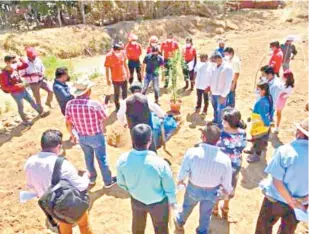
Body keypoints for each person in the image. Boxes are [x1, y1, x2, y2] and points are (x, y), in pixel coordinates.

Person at [24, 129, 93, 234]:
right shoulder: (62, 164)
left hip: (51, 207)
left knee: (64, 226)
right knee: (84, 225)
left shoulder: (29, 163)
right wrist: (85, 176)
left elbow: (31, 187)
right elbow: (82, 186)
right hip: (69, 204)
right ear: (58, 147)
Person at [117, 124, 176, 234]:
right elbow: (169, 188)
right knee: (161, 228)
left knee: (138, 227)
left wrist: (133, 190)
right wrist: (173, 203)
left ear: (132, 139)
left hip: (136, 200)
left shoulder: (122, 160)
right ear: (150, 140)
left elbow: (121, 183)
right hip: (158, 203)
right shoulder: (160, 164)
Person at [174, 122, 233, 234]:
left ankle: (180, 222)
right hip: (212, 191)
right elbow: (227, 182)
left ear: (203, 137)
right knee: (206, 215)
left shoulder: (192, 153)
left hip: (194, 188)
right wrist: (226, 191)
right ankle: (202, 231)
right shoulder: (225, 160)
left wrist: (181, 180)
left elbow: (184, 171)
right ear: (218, 140)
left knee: (187, 207)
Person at [255, 118, 308, 234]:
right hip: (299, 205)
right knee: (287, 231)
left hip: (275, 200)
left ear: (299, 133)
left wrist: (290, 200)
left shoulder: (285, 151)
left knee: (264, 228)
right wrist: (302, 201)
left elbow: (277, 181)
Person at [65, 77, 116, 188]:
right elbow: (104, 117)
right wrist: (105, 107)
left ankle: (92, 178)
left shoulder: (70, 104)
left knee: (88, 157)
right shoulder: (94, 104)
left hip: (81, 136)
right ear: (88, 91)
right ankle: (107, 181)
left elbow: (68, 123)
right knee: (101, 158)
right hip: (96, 136)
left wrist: (72, 135)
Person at [213, 107, 247, 219]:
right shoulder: (242, 133)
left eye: (224, 121)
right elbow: (243, 146)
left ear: (230, 122)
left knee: (218, 185)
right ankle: (226, 207)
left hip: (221, 165)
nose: (222, 122)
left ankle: (215, 207)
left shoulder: (221, 134)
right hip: (235, 165)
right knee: (230, 185)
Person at [117, 82, 166, 152]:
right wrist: (161, 115)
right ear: (141, 90)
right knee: (151, 145)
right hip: (147, 128)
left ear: (131, 91)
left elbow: (119, 114)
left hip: (134, 129)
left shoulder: (125, 101)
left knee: (137, 146)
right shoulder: (146, 99)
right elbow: (156, 108)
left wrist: (123, 123)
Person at [0, 55, 44, 126]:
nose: (15, 63)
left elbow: (25, 65)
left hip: (23, 89)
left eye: (15, 62)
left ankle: (41, 113)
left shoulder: (15, 68)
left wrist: (21, 60)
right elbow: (5, 87)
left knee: (32, 101)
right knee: (21, 107)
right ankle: (25, 121)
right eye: (13, 62)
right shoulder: (3, 74)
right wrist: (17, 86)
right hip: (16, 93)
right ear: (7, 62)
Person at [246, 81, 273, 163]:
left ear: (263, 90)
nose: (257, 92)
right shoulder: (268, 98)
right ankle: (253, 150)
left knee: (259, 141)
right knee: (256, 139)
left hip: (260, 126)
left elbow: (263, 115)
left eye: (258, 90)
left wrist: (267, 124)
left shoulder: (262, 102)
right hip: (259, 124)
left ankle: (256, 156)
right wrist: (251, 117)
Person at [20, 47, 53, 113]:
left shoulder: (38, 59)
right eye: (33, 56)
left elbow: (42, 67)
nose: (34, 57)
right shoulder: (24, 63)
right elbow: (22, 75)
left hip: (41, 80)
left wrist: (42, 73)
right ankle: (41, 112)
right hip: (33, 83)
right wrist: (32, 75)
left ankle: (48, 102)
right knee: (38, 99)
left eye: (35, 55)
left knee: (51, 91)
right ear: (28, 56)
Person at [209, 52, 233, 128]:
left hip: (221, 94)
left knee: (221, 110)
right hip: (213, 93)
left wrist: (223, 95)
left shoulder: (227, 68)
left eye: (215, 59)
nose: (214, 61)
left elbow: (228, 83)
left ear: (220, 58)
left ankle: (220, 126)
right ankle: (216, 120)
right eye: (213, 60)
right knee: (215, 108)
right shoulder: (215, 66)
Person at [105, 43, 129, 111]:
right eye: (117, 51)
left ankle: (125, 106)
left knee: (125, 93)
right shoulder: (108, 56)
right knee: (116, 93)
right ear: (114, 50)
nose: (119, 52)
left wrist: (128, 73)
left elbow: (125, 64)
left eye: (120, 51)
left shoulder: (122, 53)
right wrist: (107, 79)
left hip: (123, 77)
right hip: (115, 78)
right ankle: (117, 107)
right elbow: (107, 69)